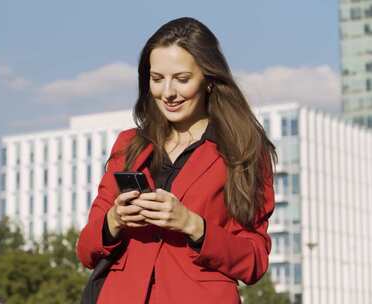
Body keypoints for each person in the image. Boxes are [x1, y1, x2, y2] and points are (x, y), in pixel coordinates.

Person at [76, 16, 277, 304]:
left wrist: (192, 224)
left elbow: (254, 261)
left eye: (182, 79)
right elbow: (85, 250)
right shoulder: (128, 145)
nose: (168, 92)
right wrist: (114, 220)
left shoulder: (244, 150)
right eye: (157, 79)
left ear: (208, 80)